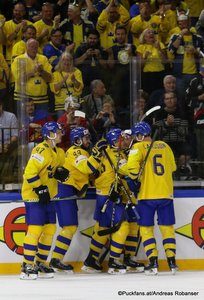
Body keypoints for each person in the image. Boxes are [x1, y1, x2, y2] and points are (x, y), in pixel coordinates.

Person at [83, 128, 144, 274]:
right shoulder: (115, 155)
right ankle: (114, 261)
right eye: (120, 139)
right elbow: (129, 172)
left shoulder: (110, 153)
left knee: (102, 228)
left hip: (109, 195)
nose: (123, 141)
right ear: (115, 142)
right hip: (109, 197)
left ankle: (91, 260)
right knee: (122, 228)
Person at [49, 127, 106, 272]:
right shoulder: (77, 151)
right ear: (77, 140)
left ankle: (56, 259)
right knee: (70, 227)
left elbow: (88, 173)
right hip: (64, 191)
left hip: (65, 191)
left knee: (69, 227)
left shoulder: (81, 152)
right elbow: (87, 168)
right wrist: (97, 154)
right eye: (85, 138)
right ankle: (55, 260)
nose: (88, 141)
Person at [127, 121, 177, 275]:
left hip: (147, 195)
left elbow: (132, 172)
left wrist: (138, 176)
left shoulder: (137, 147)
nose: (135, 139)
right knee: (167, 228)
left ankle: (153, 262)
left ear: (141, 135)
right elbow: (173, 167)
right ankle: (172, 262)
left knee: (146, 229)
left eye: (136, 136)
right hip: (166, 194)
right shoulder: (165, 146)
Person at [20, 121, 69, 280]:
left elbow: (56, 170)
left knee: (49, 230)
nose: (61, 134)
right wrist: (39, 188)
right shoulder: (40, 150)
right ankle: (27, 265)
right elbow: (29, 172)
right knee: (35, 230)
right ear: (50, 134)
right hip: (34, 195)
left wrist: (60, 173)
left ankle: (40, 263)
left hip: (49, 196)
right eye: (58, 132)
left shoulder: (59, 152)